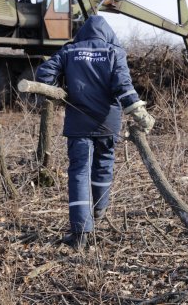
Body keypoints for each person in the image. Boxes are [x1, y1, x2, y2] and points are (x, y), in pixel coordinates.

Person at [35, 15, 155, 249]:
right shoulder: (113, 52)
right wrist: (138, 111)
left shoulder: (69, 51)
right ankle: (99, 210)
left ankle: (80, 233)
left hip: (78, 123)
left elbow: (43, 75)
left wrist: (60, 90)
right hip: (107, 123)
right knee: (103, 165)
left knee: (79, 172)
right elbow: (123, 86)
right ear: (107, 33)